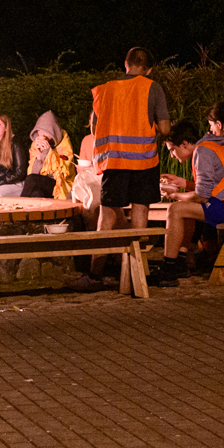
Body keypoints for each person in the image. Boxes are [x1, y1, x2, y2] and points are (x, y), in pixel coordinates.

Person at [83, 47, 171, 289]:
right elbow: (165, 129)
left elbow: (94, 129)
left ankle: (95, 275)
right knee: (140, 216)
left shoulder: (105, 90)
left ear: (126, 63)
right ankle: (136, 275)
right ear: (149, 70)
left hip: (114, 162)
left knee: (107, 217)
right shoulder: (153, 88)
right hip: (144, 162)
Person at [158, 120, 224, 287]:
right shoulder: (208, 147)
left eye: (172, 149)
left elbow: (202, 196)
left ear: (185, 144)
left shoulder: (203, 152)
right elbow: (209, 189)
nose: (172, 155)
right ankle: (179, 263)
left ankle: (169, 269)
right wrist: (181, 183)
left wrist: (175, 195)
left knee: (176, 209)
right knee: (184, 209)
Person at [22, 111, 75, 199]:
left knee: (32, 180)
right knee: (36, 193)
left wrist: (48, 153)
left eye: (46, 131)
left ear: (53, 132)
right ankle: (25, 206)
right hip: (40, 184)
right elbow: (32, 173)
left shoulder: (64, 143)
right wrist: (39, 156)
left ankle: (21, 204)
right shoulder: (35, 145)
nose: (42, 134)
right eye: (39, 131)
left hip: (59, 185)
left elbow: (64, 171)